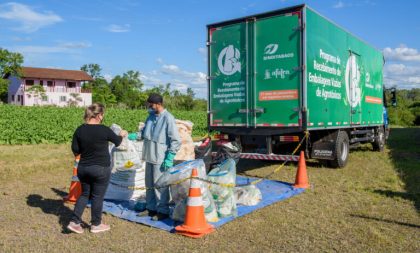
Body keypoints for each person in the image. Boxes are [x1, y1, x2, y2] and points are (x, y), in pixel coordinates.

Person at [67, 103, 128, 234]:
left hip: (83, 168)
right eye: (103, 114)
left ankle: (74, 221)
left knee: (84, 194)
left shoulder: (79, 130)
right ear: (99, 115)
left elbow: (76, 150)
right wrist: (121, 134)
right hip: (100, 169)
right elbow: (117, 142)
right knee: (97, 196)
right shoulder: (104, 130)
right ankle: (96, 224)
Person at [138, 93, 181, 221]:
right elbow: (143, 132)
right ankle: (151, 208)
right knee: (149, 184)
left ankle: (163, 210)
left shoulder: (168, 118)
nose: (149, 107)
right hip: (149, 156)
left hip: (161, 159)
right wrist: (133, 136)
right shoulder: (150, 117)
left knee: (160, 185)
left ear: (158, 104)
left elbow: (176, 140)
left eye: (151, 105)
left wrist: (169, 157)